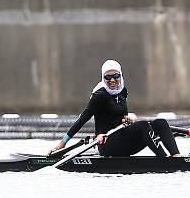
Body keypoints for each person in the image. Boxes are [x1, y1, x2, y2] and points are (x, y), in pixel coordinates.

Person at [51, 60, 181, 157]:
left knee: (161, 123)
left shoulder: (123, 91)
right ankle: (164, 161)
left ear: (120, 76)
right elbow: (82, 119)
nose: (112, 80)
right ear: (103, 78)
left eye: (116, 76)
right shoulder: (100, 95)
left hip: (123, 139)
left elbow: (122, 117)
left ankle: (176, 157)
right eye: (108, 77)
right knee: (143, 126)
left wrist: (125, 120)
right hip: (107, 144)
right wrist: (63, 143)